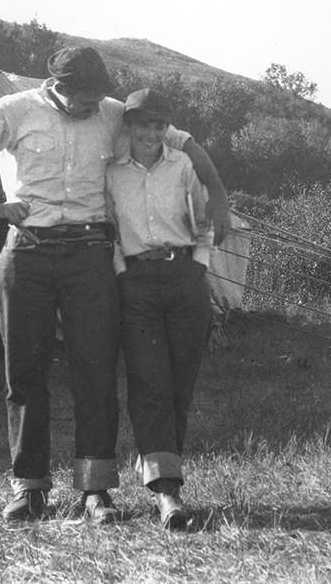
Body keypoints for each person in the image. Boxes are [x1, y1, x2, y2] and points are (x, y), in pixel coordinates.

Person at [0, 47, 230, 522]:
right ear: (61, 89)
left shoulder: (113, 113)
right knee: (24, 374)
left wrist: (217, 195)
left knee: (94, 371)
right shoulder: (13, 110)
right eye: (86, 98)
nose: (95, 106)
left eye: (99, 97)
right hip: (26, 252)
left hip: (91, 256)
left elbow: (183, 142)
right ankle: (28, 486)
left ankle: (96, 490)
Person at [106, 88, 214, 530]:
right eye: (143, 124)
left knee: (179, 387)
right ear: (128, 126)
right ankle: (167, 494)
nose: (151, 133)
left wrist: (198, 268)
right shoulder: (111, 174)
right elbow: (109, 229)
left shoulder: (183, 165)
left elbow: (203, 221)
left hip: (185, 278)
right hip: (138, 283)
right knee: (150, 383)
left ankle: (158, 464)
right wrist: (122, 275)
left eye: (159, 125)